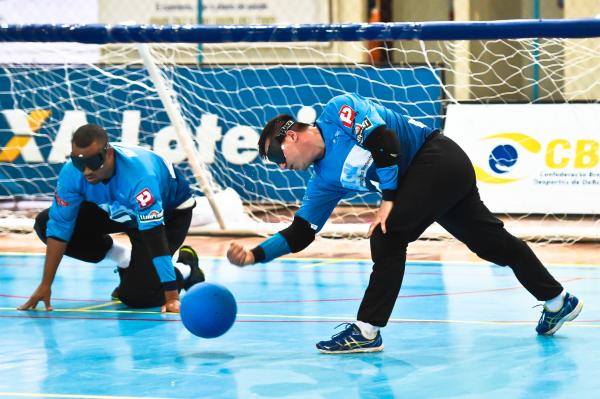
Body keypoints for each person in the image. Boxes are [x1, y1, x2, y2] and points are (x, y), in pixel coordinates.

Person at [227, 93, 583, 353]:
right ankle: (557, 300)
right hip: (428, 182)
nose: (282, 167)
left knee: (387, 235)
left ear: (291, 136)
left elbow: (385, 141)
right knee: (492, 244)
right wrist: (255, 255)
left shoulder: (337, 110)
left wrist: (389, 199)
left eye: (278, 158)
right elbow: (303, 232)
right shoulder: (322, 180)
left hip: (437, 158)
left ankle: (367, 331)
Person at [18, 124, 204, 313]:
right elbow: (59, 228)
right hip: (117, 208)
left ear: (109, 154)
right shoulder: (73, 173)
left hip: (169, 213)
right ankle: (124, 259)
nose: (87, 171)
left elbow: (154, 236)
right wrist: (45, 284)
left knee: (136, 298)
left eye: (93, 161)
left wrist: (172, 296)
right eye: (79, 162)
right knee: (45, 223)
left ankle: (187, 268)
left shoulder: (140, 177)